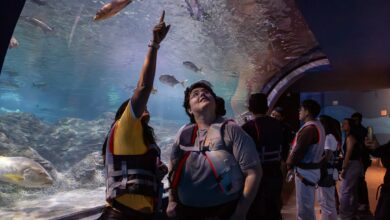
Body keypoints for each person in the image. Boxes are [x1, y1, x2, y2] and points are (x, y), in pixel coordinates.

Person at [98, 11, 170, 220]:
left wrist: (156, 172)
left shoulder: (140, 138)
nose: (144, 105)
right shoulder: (125, 125)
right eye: (137, 106)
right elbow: (144, 87)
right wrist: (154, 45)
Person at [167, 81, 262, 220]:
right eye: (195, 94)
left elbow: (253, 172)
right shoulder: (183, 133)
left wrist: (240, 212)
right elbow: (173, 167)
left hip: (224, 211)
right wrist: (171, 200)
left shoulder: (230, 129)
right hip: (185, 211)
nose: (202, 94)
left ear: (215, 102)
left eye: (207, 92)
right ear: (189, 109)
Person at [242, 93, 284, 220]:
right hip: (276, 172)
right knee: (273, 208)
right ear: (267, 108)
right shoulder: (279, 125)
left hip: (256, 175)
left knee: (256, 210)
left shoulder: (247, 127)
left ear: (249, 108)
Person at [286, 99, 325, 220]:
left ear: (307, 111)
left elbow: (298, 151)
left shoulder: (309, 129)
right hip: (312, 171)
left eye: (301, 109)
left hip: (305, 172)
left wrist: (289, 164)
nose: (299, 111)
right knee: (307, 206)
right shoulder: (318, 125)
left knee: (304, 209)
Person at [317, 115, 342, 220]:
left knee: (326, 203)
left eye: (320, 123)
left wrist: (315, 164)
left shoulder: (328, 137)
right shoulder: (332, 136)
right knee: (327, 202)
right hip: (329, 172)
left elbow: (327, 156)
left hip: (327, 172)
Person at [339, 118, 364, 219]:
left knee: (344, 190)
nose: (342, 125)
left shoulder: (350, 137)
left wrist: (344, 169)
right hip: (356, 164)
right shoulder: (351, 136)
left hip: (352, 165)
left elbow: (348, 154)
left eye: (345, 123)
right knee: (352, 190)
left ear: (350, 126)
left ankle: (345, 215)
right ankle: (352, 212)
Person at [365, 136, 390, 219]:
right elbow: (380, 152)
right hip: (387, 186)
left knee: (381, 215)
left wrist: (374, 147)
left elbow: (382, 153)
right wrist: (374, 146)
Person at [351, 112, 371, 213]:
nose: (354, 121)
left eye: (355, 120)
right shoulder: (357, 130)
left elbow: (364, 147)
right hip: (360, 160)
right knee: (357, 182)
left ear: (359, 120)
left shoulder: (362, 131)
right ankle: (360, 202)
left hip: (362, 160)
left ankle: (364, 203)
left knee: (360, 182)